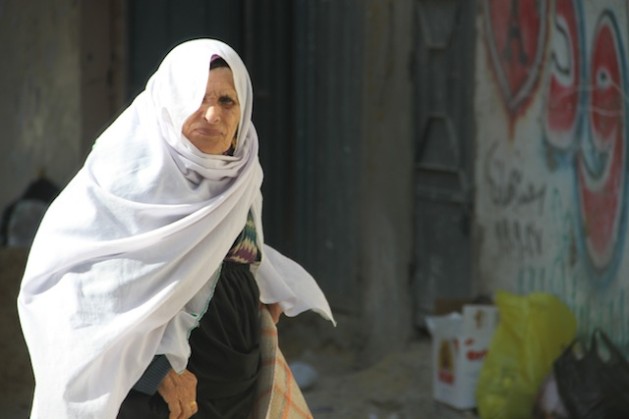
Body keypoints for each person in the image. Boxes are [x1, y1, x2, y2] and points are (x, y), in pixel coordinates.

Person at [17, 39, 335, 419]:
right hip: (156, 397)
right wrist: (154, 370)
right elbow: (71, 298)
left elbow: (230, 253)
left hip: (234, 385)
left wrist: (259, 286)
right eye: (195, 99)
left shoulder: (240, 176)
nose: (212, 115)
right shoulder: (120, 181)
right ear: (169, 104)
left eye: (226, 102)